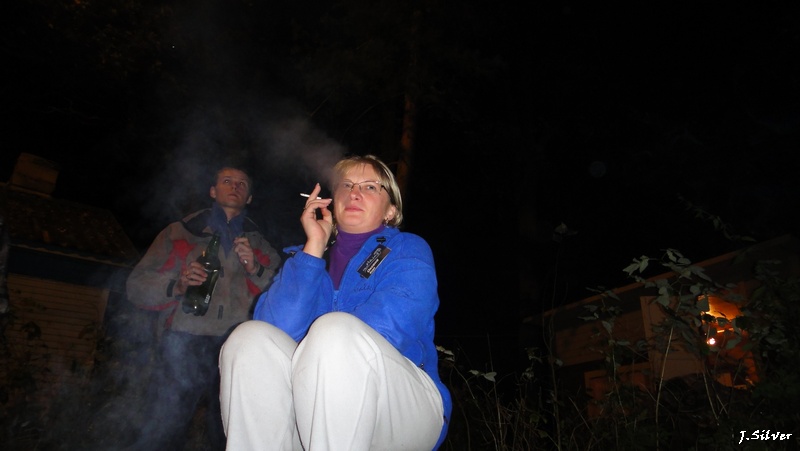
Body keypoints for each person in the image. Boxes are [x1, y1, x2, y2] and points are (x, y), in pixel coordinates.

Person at [219, 154, 452, 450]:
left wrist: (317, 349)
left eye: (370, 187)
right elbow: (275, 329)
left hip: (403, 402)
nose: (354, 193)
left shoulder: (408, 250)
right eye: (346, 185)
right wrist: (314, 248)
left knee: (334, 331)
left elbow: (396, 326)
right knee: (249, 339)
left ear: (390, 210)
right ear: (333, 200)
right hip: (311, 398)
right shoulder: (303, 260)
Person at [125, 165, 280, 450]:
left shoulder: (260, 243)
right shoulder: (180, 232)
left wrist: (255, 268)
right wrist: (177, 285)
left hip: (237, 345)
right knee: (164, 427)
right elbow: (136, 285)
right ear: (212, 191)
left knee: (227, 432)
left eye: (242, 184)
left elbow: (284, 297)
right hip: (183, 340)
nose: (235, 187)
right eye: (227, 181)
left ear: (249, 198)